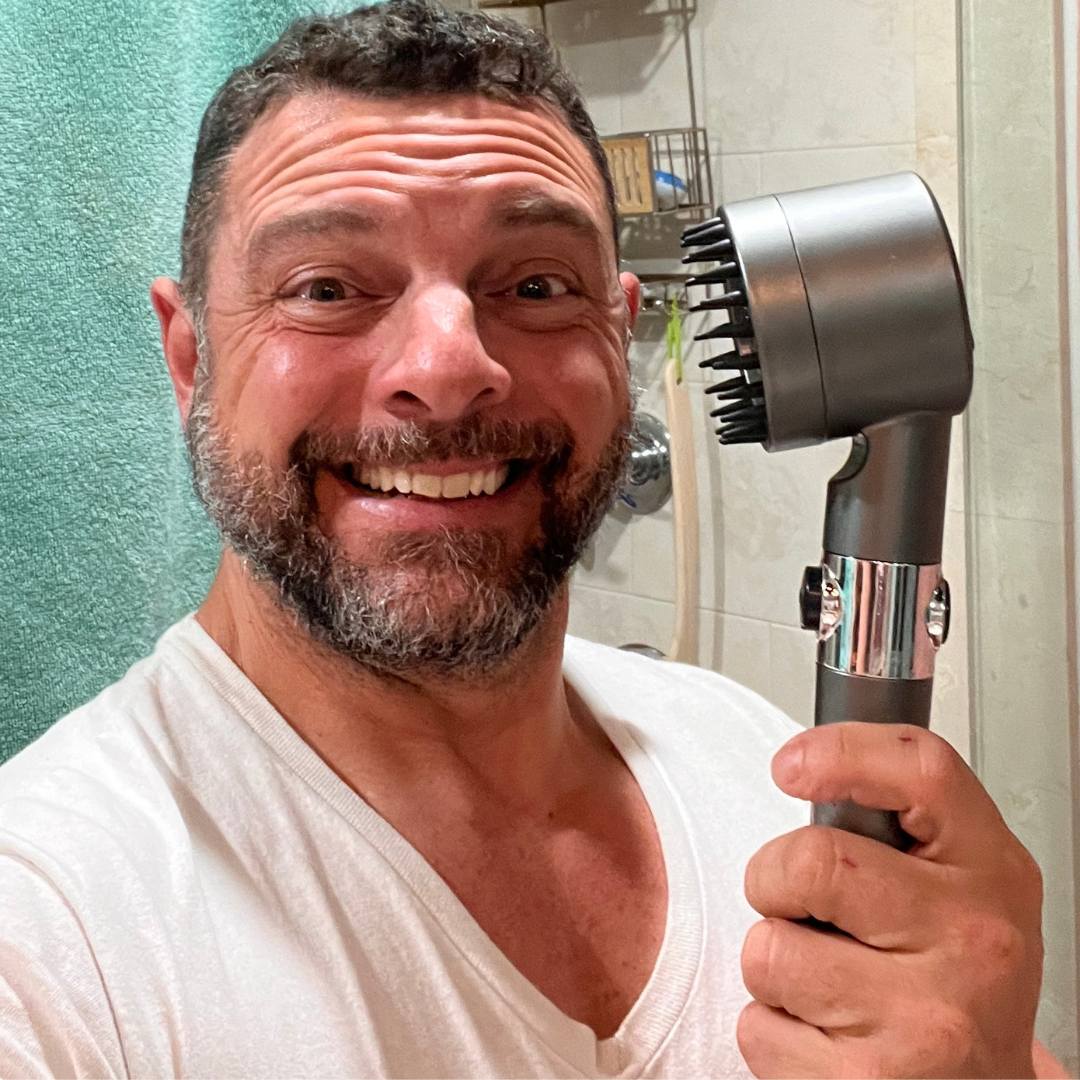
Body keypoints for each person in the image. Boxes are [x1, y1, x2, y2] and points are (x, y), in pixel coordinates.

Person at [0, 2, 1065, 1076]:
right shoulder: (51, 936)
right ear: (191, 361)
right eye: (326, 288)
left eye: (539, 286)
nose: (449, 366)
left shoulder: (758, 760)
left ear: (620, 332)